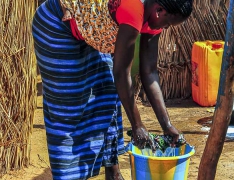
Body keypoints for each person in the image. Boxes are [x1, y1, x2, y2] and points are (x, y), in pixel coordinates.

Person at [32, 0, 193, 179]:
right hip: (55, 24)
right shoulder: (133, 9)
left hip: (90, 29)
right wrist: (137, 125)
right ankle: (68, 174)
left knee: (106, 92)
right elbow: (121, 73)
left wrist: (167, 125)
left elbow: (149, 72)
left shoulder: (153, 17)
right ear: (159, 10)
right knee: (69, 106)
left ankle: (113, 172)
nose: (167, 28)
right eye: (168, 23)